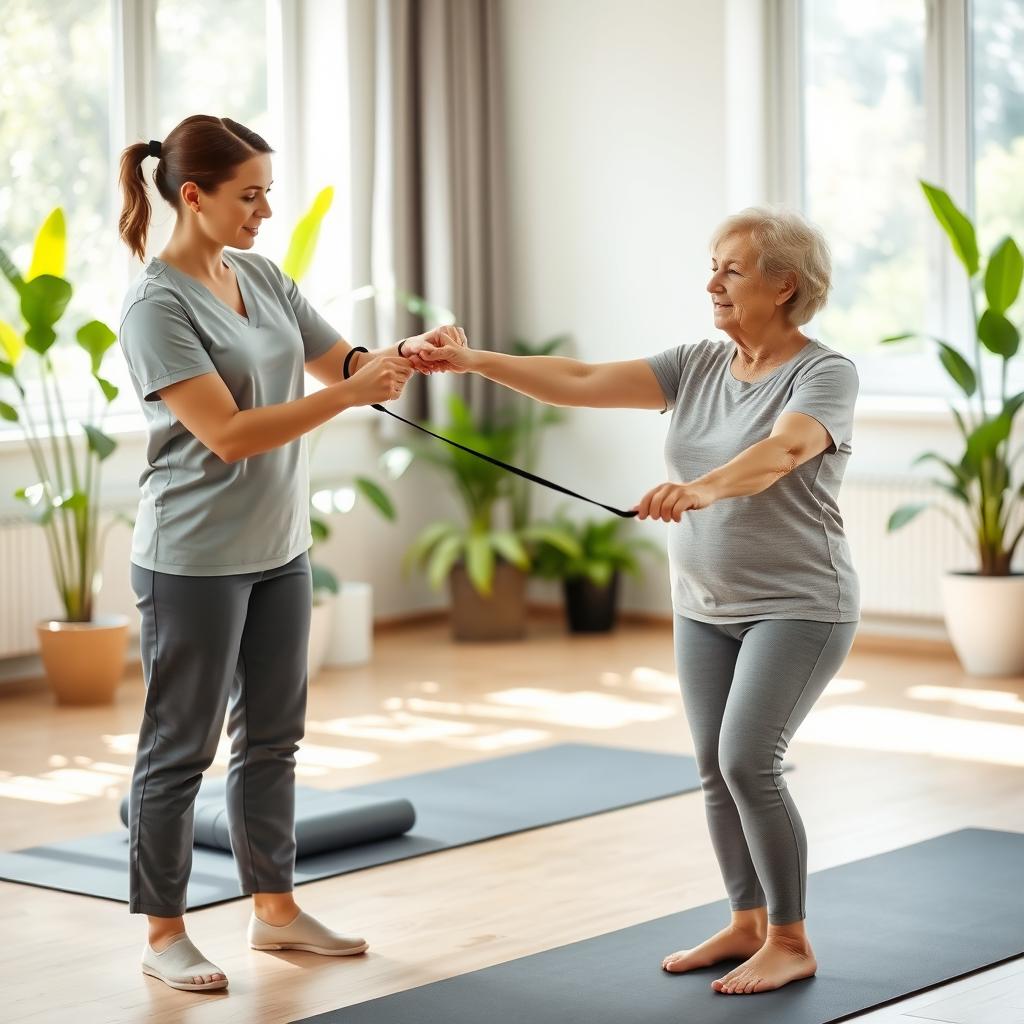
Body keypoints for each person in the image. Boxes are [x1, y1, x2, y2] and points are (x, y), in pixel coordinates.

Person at [415, 206, 860, 996]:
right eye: (712, 264)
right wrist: (473, 361)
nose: (712, 280)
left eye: (732, 267)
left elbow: (783, 452)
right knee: (712, 768)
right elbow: (582, 381)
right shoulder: (697, 364)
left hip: (799, 603)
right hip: (703, 603)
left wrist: (700, 488)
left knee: (748, 761)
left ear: (784, 284)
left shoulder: (824, 373)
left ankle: (791, 938)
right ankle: (746, 920)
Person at [116, 113, 463, 993]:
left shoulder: (262, 276)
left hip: (277, 547)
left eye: (269, 191)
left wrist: (407, 358)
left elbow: (338, 359)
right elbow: (227, 434)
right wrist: (350, 396)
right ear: (192, 197)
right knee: (179, 748)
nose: (266, 209)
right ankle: (164, 932)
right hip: (192, 556)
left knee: (273, 738)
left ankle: (275, 913)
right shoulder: (155, 305)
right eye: (250, 194)